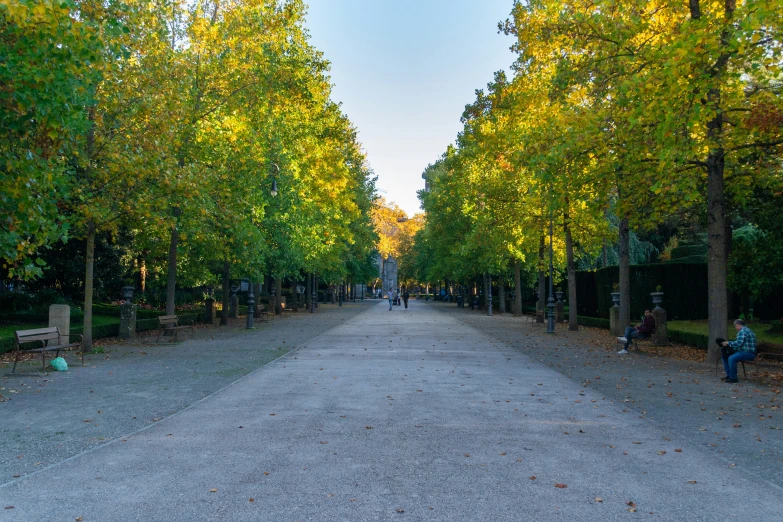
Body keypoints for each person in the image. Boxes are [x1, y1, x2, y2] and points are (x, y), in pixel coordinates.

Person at [720, 319, 757, 383]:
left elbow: (738, 343)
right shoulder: (747, 330)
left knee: (731, 358)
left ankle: (733, 378)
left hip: (748, 353)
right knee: (725, 356)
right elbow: (740, 345)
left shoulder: (743, 331)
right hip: (745, 352)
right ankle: (729, 375)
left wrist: (728, 343)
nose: (735, 328)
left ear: (737, 325)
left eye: (735, 326)